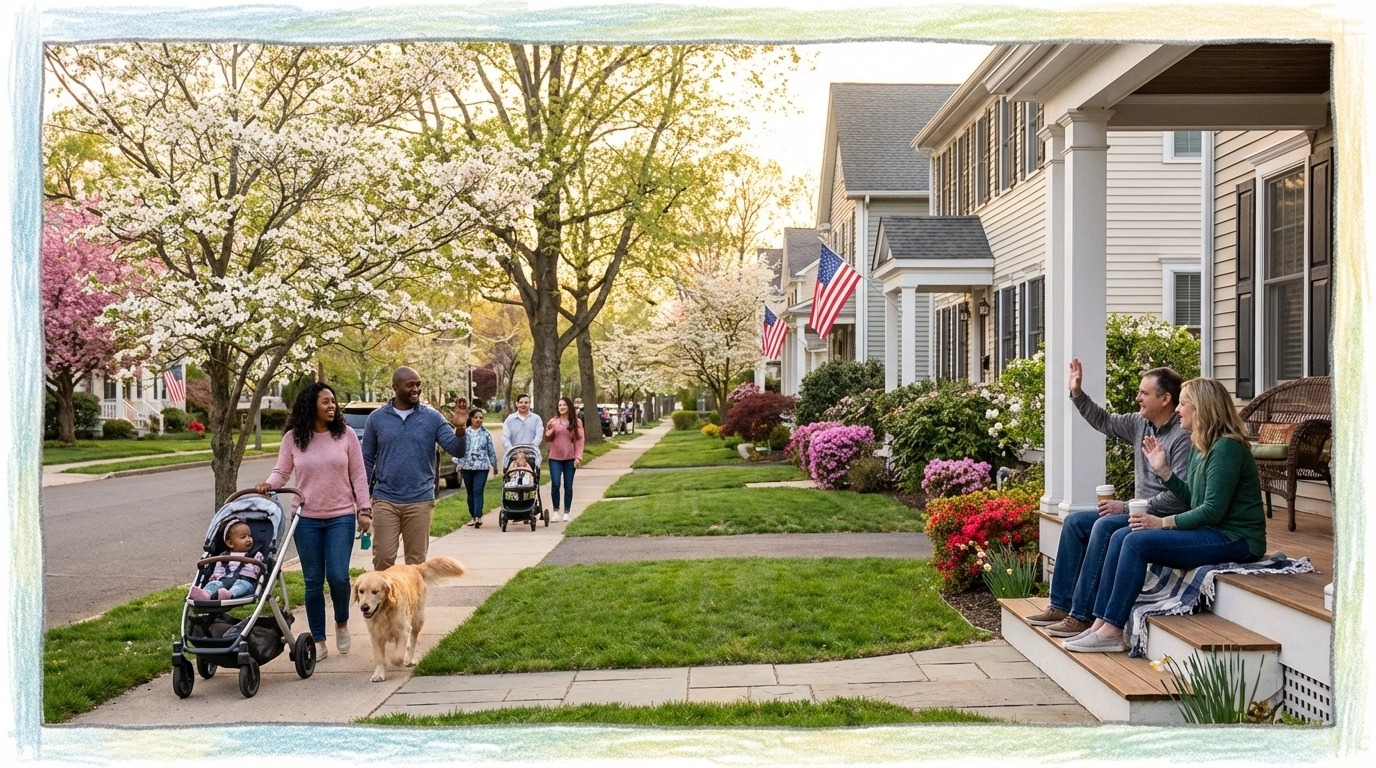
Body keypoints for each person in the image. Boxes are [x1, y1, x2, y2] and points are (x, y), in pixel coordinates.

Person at [1065, 377, 1268, 653]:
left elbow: (1212, 511)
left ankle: (1112, 630)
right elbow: (1193, 498)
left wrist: (1162, 523)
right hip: (1212, 531)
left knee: (1135, 542)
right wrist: (1164, 472)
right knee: (1122, 535)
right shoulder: (1201, 445)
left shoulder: (1226, 448)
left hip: (1237, 538)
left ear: (1201, 408)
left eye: (1183, 404)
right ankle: (1100, 623)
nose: (1178, 410)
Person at [1026, 359, 1192, 639]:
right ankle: (1061, 605)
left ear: (1165, 399)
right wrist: (1077, 393)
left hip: (1161, 518)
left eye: (1144, 393)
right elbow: (1103, 420)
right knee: (1076, 523)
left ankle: (1081, 616)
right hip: (1137, 512)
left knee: (1103, 526)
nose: (1137, 398)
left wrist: (1124, 507)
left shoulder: (1182, 437)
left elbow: (1180, 498)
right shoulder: (1141, 423)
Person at [255, 381, 371, 658]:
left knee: (338, 577)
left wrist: (364, 509)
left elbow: (358, 474)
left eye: (333, 401)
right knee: (313, 581)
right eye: (326, 402)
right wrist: (268, 485)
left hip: (340, 516)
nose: (332, 406)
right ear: (311, 406)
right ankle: (319, 641)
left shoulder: (346, 435)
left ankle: (341, 623)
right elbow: (281, 472)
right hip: (306, 519)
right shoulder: (293, 438)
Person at [361, 367, 464, 571]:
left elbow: (457, 450)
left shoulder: (432, 417)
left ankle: (412, 594)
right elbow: (366, 459)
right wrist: (363, 500)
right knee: (383, 559)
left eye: (418, 384)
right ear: (395, 387)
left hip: (420, 499)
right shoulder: (376, 418)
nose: (416, 389)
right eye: (410, 385)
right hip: (385, 498)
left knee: (416, 566)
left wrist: (460, 429)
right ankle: (386, 594)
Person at [189, 519, 264, 601]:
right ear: (230, 543)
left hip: (245, 580)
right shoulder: (224, 556)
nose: (248, 539)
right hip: (224, 580)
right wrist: (215, 578)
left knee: (242, 586)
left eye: (249, 536)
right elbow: (218, 571)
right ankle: (206, 593)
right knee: (214, 583)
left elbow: (259, 571)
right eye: (243, 537)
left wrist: (258, 567)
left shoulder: (255, 554)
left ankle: (230, 594)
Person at [544, 395, 585, 522]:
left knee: (568, 485)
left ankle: (567, 512)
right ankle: (556, 511)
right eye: (560, 405)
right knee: (555, 484)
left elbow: (580, 440)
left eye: (564, 405)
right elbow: (547, 439)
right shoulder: (553, 421)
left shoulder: (577, 422)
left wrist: (578, 457)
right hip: (555, 458)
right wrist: (549, 432)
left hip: (570, 458)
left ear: (569, 407)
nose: (561, 407)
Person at [457, 408, 497, 528]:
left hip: (482, 467)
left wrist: (494, 465)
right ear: (471, 418)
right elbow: (458, 448)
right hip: (467, 467)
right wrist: (458, 463)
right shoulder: (464, 433)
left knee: (478, 491)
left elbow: (491, 451)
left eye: (481, 418)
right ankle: (473, 516)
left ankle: (478, 516)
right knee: (470, 493)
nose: (478, 420)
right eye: (476, 417)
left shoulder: (485, 434)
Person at [501, 392, 543, 466]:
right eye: (521, 402)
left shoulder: (536, 418)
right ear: (517, 404)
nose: (523, 404)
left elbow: (539, 435)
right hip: (513, 454)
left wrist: (533, 446)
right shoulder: (510, 419)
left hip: (531, 454)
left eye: (526, 403)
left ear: (529, 404)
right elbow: (505, 436)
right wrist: (510, 448)